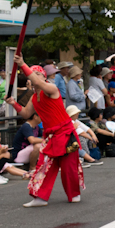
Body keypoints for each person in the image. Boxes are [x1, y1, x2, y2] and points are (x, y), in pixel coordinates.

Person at [11, 55, 84, 207]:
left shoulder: (51, 89)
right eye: (31, 74)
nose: (33, 76)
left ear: (43, 77)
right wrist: (13, 103)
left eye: (37, 73)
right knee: (43, 166)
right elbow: (25, 114)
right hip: (50, 136)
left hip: (65, 132)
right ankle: (40, 197)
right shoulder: (34, 97)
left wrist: (23, 64)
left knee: (68, 168)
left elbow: (37, 82)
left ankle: (74, 194)